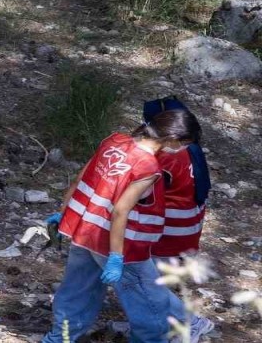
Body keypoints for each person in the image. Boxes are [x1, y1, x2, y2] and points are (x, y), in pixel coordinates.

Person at [40, 110, 201, 343]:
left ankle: (59, 338)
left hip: (84, 232)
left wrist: (64, 213)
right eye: (185, 144)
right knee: (151, 306)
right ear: (173, 139)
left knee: (78, 291)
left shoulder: (114, 141)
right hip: (121, 245)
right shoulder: (147, 167)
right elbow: (120, 210)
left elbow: (81, 178)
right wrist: (116, 257)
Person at [143, 97, 214, 341]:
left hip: (167, 228)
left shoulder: (166, 155)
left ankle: (188, 323)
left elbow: (146, 194)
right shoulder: (191, 148)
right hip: (188, 223)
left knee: (148, 279)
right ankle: (155, 321)